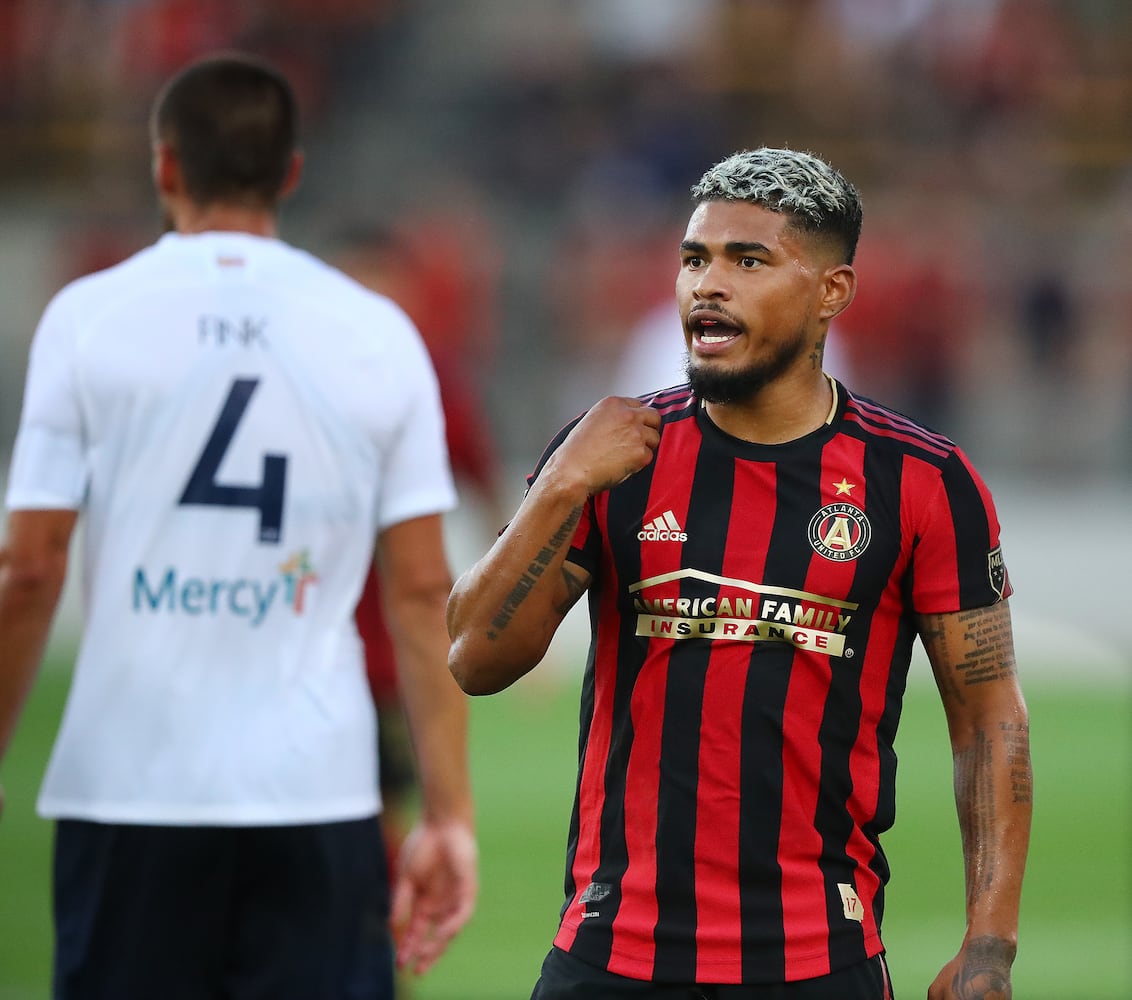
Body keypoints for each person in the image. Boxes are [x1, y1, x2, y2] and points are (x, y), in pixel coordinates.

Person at [447, 147, 1031, 999]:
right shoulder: (611, 453)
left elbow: (988, 720)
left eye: (746, 261)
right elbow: (474, 658)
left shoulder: (922, 481)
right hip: (611, 956)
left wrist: (991, 945)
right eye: (695, 260)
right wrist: (563, 483)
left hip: (816, 960)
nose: (705, 285)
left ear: (832, 292)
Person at [0, 52, 476, 999]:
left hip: (128, 784)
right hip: (318, 789)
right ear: (292, 173)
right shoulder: (376, 330)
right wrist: (447, 814)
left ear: (165, 166)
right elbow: (425, 588)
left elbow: (29, 569)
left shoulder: (88, 318)